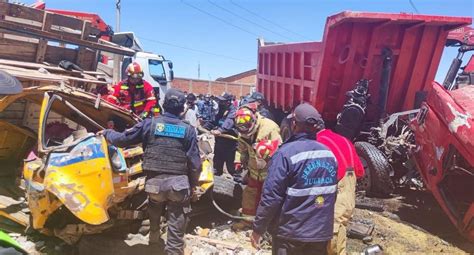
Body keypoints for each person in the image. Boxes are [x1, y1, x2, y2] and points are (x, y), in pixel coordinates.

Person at [101, 89, 201, 255]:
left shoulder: (149, 124)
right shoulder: (188, 130)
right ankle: (173, 250)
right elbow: (195, 164)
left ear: (163, 104)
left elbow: (122, 140)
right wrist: (193, 185)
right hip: (178, 186)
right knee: (177, 223)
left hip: (154, 185)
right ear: (182, 109)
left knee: (155, 205)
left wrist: (107, 133)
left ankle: (154, 236)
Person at [250, 103, 338, 255]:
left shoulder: (285, 154)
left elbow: (271, 197)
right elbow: (331, 194)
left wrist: (258, 228)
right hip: (320, 232)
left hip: (290, 234)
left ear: (294, 124)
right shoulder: (328, 154)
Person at [232, 104, 281, 229]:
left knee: (267, 198)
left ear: (253, 119)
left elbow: (279, 150)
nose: (244, 131)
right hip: (254, 171)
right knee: (250, 195)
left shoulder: (270, 128)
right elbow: (241, 149)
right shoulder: (243, 130)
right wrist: (238, 161)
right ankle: (247, 222)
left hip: (268, 172)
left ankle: (268, 225)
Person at [317, 127, 364, 255]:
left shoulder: (319, 141)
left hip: (336, 183)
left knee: (334, 225)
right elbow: (360, 171)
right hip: (348, 181)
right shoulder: (344, 140)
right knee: (340, 221)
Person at [210, 92, 238, 176]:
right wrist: (205, 126)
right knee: (217, 162)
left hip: (230, 142)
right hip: (219, 141)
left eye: (222, 101)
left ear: (228, 102)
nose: (220, 103)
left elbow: (229, 122)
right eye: (220, 101)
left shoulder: (233, 110)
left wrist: (220, 130)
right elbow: (214, 121)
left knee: (231, 165)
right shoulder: (221, 110)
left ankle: (236, 182)